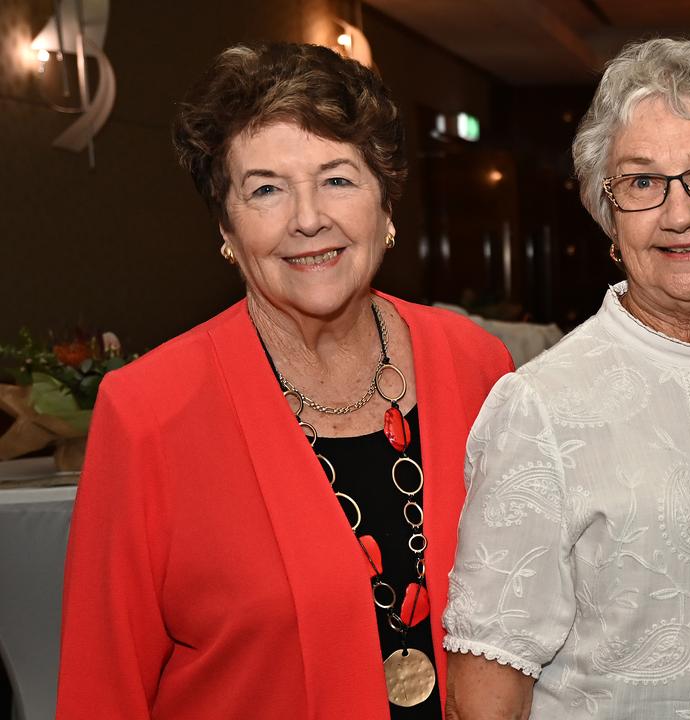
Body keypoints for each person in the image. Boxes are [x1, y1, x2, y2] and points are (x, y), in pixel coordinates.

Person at [55, 43, 512, 719]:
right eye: (265, 188)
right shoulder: (148, 412)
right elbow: (103, 686)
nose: (307, 218)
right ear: (226, 228)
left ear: (386, 205)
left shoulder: (478, 365)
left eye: (337, 179)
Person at [441, 38, 690, 719]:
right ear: (608, 213)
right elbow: (486, 693)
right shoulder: (540, 407)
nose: (680, 213)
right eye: (642, 182)